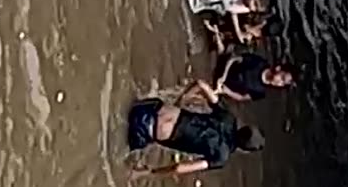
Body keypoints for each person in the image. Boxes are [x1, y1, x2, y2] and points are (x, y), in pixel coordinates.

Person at [126, 85, 264, 179]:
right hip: (147, 132)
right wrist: (148, 172)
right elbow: (179, 168)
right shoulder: (221, 156)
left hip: (152, 108)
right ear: (244, 149)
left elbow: (201, 85)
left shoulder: (228, 117)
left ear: (243, 127)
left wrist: (181, 101)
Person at [209, 51, 296, 102]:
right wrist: (223, 76)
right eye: (282, 78)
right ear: (278, 68)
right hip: (221, 69)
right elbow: (234, 58)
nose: (279, 83)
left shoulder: (260, 92)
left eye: (282, 84)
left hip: (222, 87)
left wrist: (227, 91)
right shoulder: (259, 63)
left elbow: (241, 97)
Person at [198, 10, 284, 53]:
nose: (259, 31)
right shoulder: (249, 16)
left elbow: (223, 51)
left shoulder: (251, 44)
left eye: (263, 32)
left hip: (215, 39)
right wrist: (239, 30)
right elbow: (232, 12)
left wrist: (217, 34)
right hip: (215, 22)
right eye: (261, 27)